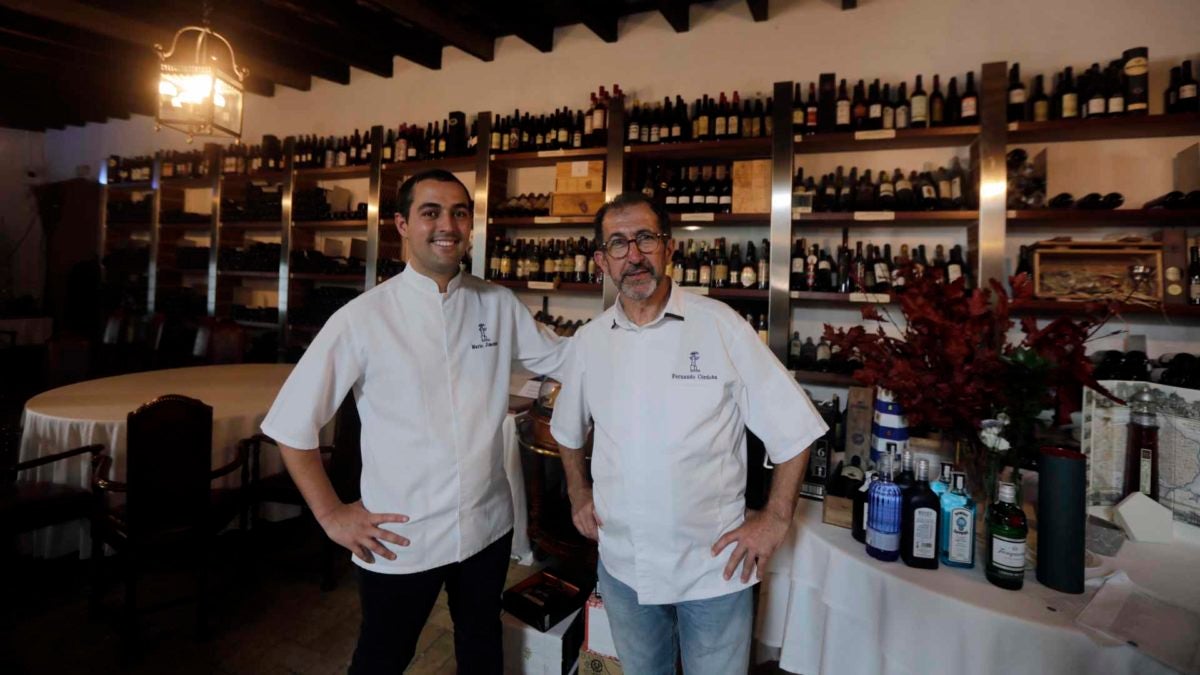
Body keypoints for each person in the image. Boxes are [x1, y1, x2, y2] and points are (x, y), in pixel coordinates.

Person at [260, 169, 569, 674]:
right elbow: (292, 426)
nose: (447, 224)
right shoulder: (363, 317)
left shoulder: (497, 304)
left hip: (486, 525)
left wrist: (638, 333)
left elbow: (565, 359)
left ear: (471, 225)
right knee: (383, 658)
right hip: (401, 535)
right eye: (431, 212)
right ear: (402, 224)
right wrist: (332, 515)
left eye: (459, 212)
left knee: (481, 645)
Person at [550, 192, 828, 675]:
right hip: (623, 568)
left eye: (645, 239)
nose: (633, 255)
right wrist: (578, 492)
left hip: (714, 570)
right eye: (618, 244)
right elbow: (568, 430)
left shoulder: (721, 326)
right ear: (601, 261)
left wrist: (776, 518)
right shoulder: (589, 341)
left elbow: (795, 427)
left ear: (669, 248)